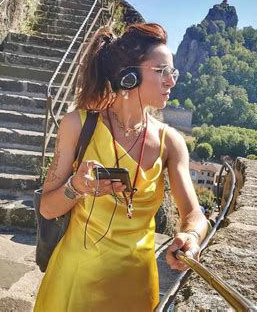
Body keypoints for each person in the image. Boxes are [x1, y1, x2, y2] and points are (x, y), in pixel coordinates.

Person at [34, 23, 209, 311]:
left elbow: (194, 214)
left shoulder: (171, 143)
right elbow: (48, 208)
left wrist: (190, 236)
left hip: (136, 288)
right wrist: (76, 187)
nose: (171, 81)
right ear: (128, 76)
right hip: (76, 280)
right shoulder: (77, 125)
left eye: (172, 72)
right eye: (162, 70)